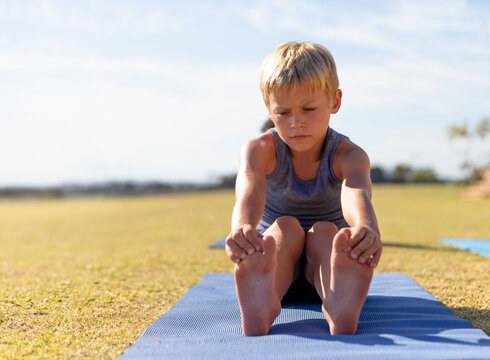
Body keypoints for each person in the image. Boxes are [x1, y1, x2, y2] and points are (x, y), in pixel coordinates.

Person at [225, 41, 382, 336]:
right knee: (285, 228)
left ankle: (338, 303)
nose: (296, 123)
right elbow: (249, 191)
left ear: (335, 101)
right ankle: (264, 301)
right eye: (283, 112)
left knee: (324, 232)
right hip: (273, 264)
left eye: (309, 109)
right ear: (269, 111)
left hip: (328, 269)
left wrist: (366, 227)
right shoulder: (260, 150)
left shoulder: (349, 155)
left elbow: (355, 191)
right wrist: (243, 229)